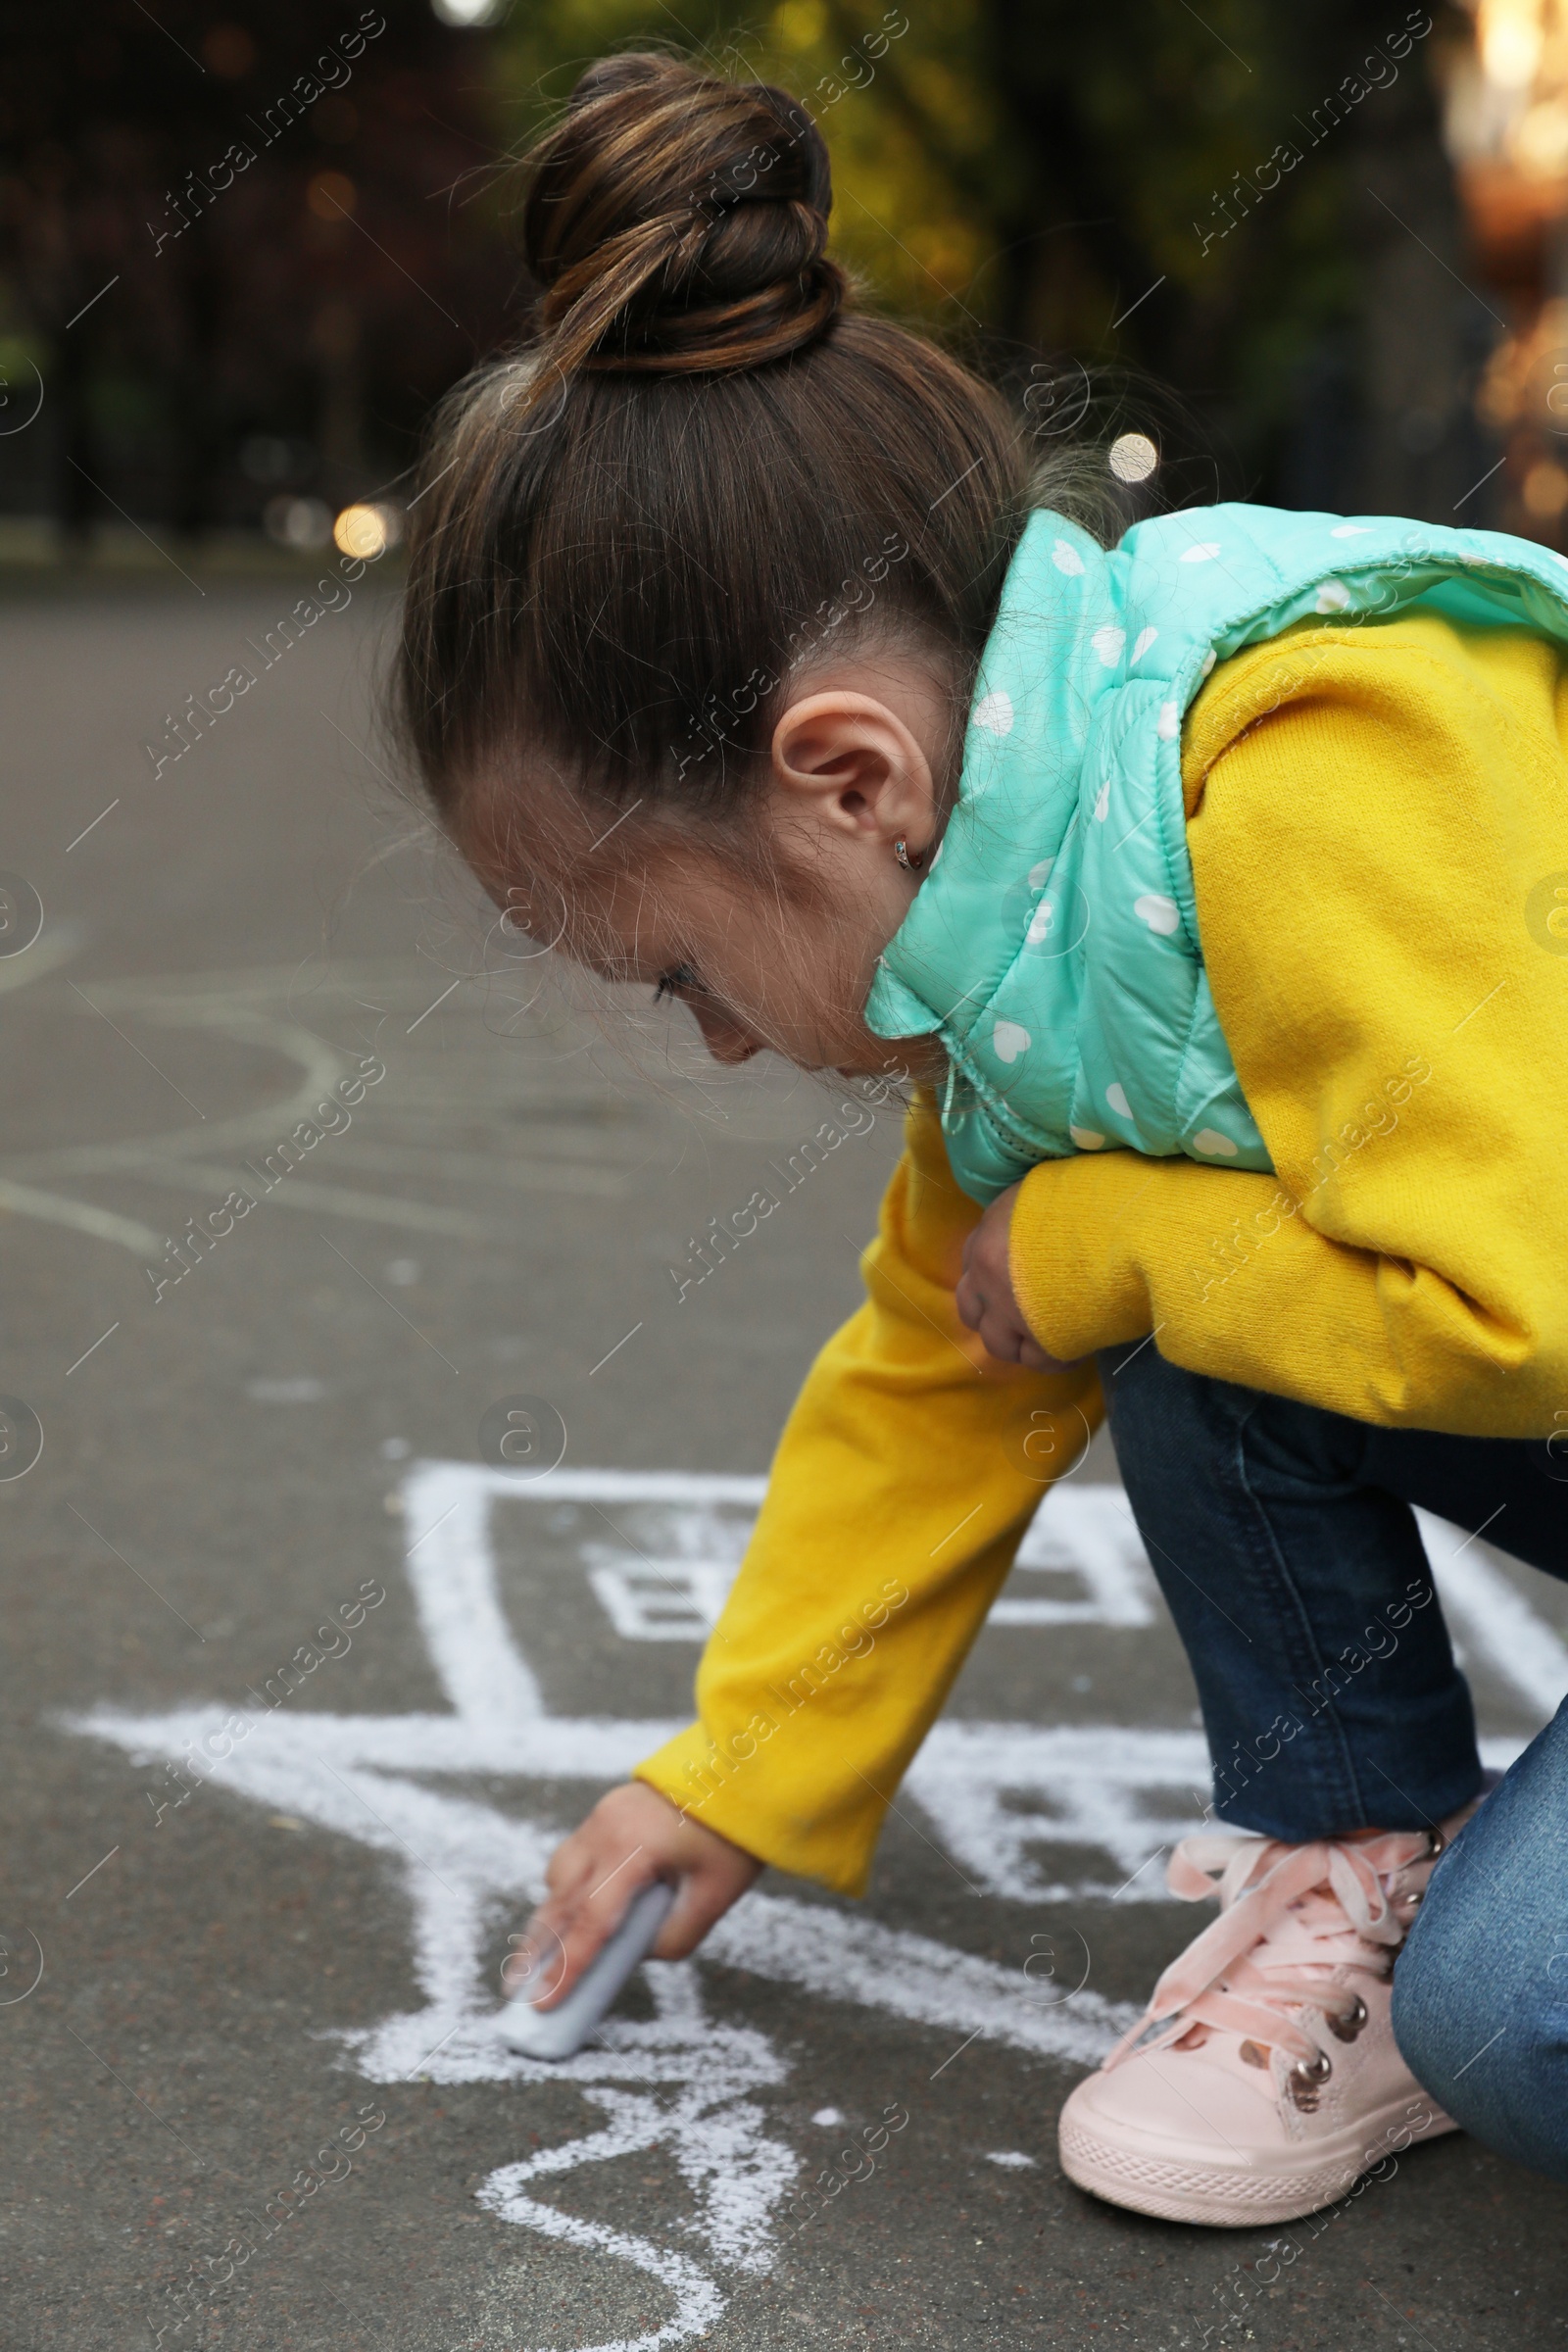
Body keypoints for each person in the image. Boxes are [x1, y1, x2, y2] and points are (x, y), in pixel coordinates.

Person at [394, 51, 1568, 2224]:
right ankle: (1356, 1860)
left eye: (678, 971)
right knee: (1078, 1279)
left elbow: (1521, 1309)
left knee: (1520, 2023)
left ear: (846, 781)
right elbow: (946, 1364)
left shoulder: (1309, 757)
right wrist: (733, 1772)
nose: (723, 1048)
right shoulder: (1017, 929)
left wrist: (1106, 1245)